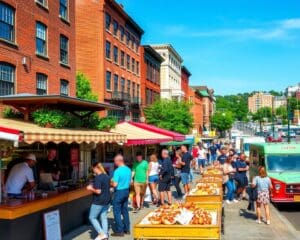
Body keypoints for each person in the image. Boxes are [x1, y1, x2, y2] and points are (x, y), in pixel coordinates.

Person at [87, 163, 110, 240]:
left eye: (93, 169)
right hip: (106, 200)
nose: (93, 171)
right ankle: (105, 235)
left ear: (96, 168)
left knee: (92, 217)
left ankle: (101, 233)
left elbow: (98, 191)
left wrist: (90, 188)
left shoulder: (98, 178)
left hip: (98, 201)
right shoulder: (106, 176)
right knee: (103, 217)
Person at [111, 155, 131, 237]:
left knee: (117, 211)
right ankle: (127, 229)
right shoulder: (128, 169)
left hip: (119, 191)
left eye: (115, 161)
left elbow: (115, 184)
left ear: (119, 161)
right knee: (125, 210)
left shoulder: (117, 171)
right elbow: (130, 182)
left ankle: (120, 231)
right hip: (126, 191)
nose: (114, 163)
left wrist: (111, 182)